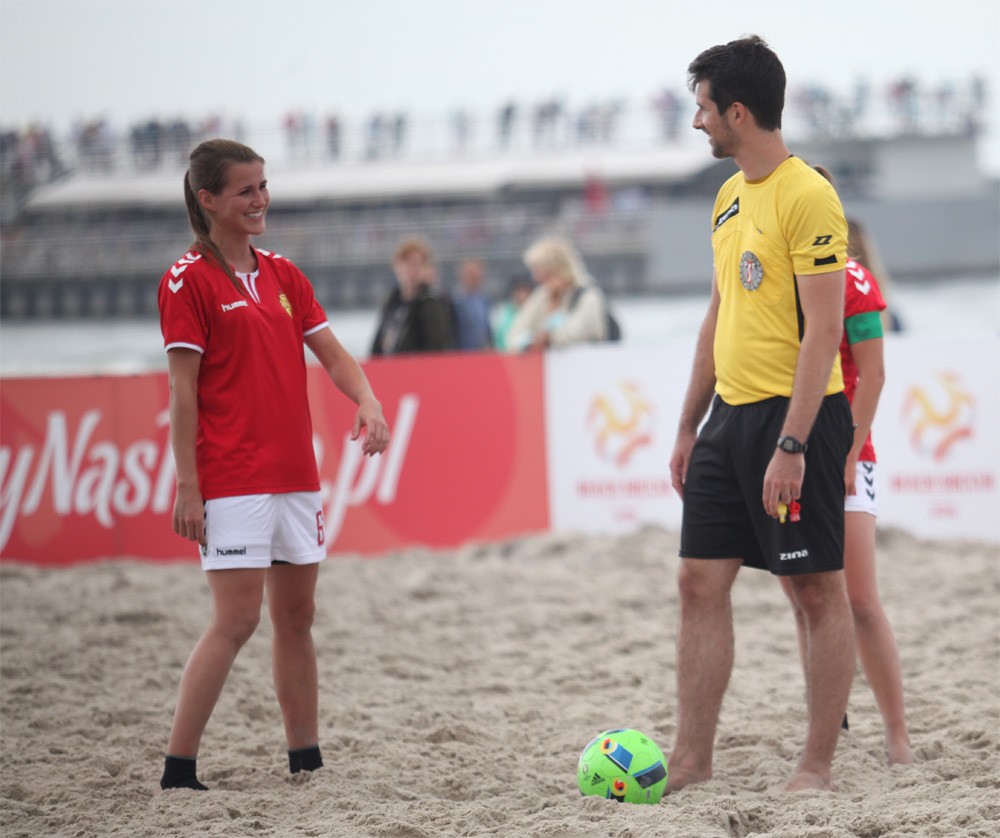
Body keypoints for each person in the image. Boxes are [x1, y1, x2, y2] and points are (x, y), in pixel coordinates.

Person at [157, 138, 390, 792]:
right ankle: (179, 770)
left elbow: (336, 356)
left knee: (297, 618)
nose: (260, 200)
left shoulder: (284, 273)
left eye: (263, 186)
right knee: (236, 620)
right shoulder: (185, 280)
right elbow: (182, 393)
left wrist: (368, 401)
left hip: (296, 474)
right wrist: (189, 487)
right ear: (208, 200)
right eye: (245, 190)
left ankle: (304, 761)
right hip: (231, 480)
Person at [667, 36, 856, 793]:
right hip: (730, 418)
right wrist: (688, 422)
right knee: (696, 581)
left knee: (815, 590)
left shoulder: (808, 193)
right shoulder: (728, 195)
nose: (697, 124)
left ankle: (815, 766)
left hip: (796, 420)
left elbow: (826, 332)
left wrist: (793, 443)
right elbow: (719, 312)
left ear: (738, 112)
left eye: (704, 109)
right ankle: (691, 761)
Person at [777, 167, 913, 766]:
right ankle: (830, 729)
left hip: (845, 451)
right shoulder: (774, 281)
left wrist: (850, 453)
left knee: (859, 600)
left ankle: (897, 736)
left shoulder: (854, 280)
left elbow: (875, 375)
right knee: (806, 600)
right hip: (786, 448)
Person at [503, 236, 609, 352]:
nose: (535, 277)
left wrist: (547, 337)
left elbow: (577, 333)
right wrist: (531, 340)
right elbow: (514, 335)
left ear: (555, 268)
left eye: (538, 270)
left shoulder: (588, 296)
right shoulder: (542, 295)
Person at [370, 236, 456, 356]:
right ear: (397, 265)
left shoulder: (429, 304)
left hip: (414, 370)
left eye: (418, 265)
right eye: (408, 264)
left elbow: (436, 349)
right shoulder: (392, 301)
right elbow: (378, 344)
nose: (413, 271)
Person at [451, 259, 494, 351]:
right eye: (471, 276)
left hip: (482, 352)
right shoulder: (455, 300)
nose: (475, 279)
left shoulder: (484, 300)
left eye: (477, 276)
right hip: (463, 352)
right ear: (462, 276)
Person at [492, 273, 534, 351]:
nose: (522, 295)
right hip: (506, 357)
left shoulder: (535, 311)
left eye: (524, 290)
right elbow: (498, 339)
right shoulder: (503, 313)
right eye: (518, 290)